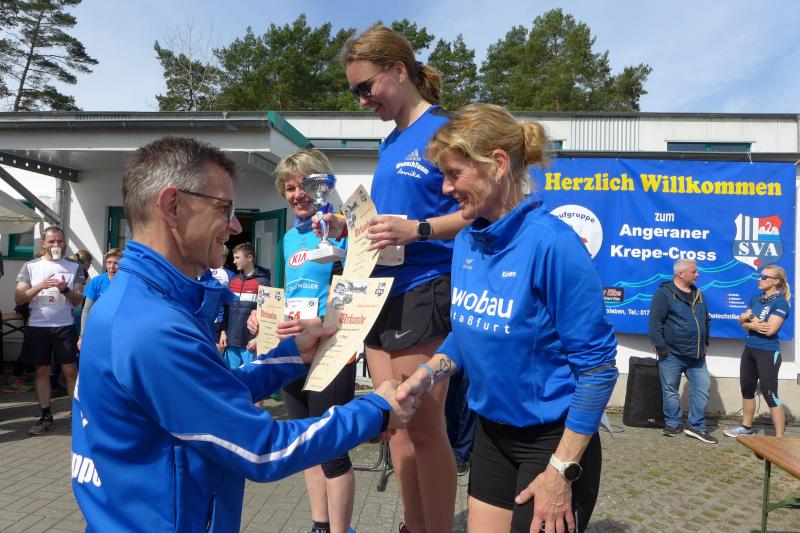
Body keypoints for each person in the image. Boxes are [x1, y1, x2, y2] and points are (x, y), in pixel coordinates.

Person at [70, 136, 420, 532]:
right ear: (172, 206)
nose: (236, 226)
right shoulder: (152, 326)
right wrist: (375, 411)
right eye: (224, 209)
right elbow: (262, 450)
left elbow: (209, 392)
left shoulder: (136, 302)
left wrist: (292, 354)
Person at [396, 103, 618, 533]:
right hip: (491, 437)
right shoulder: (467, 241)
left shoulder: (552, 244)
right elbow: (468, 331)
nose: (445, 188)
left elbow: (598, 369)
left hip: (553, 444)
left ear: (497, 164)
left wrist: (561, 471)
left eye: (453, 173)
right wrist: (424, 376)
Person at [337, 25, 471, 532]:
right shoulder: (391, 142)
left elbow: (479, 209)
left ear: (398, 70)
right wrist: (350, 226)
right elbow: (388, 220)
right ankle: (413, 525)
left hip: (426, 287)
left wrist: (419, 229)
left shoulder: (446, 130)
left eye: (365, 87)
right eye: (354, 92)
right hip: (379, 292)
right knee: (394, 425)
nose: (361, 100)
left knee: (424, 428)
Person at [276, 149, 357, 533]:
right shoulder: (289, 237)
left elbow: (356, 287)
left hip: (332, 346)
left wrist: (327, 320)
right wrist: (266, 315)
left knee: (332, 449)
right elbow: (289, 291)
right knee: (306, 445)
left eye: (305, 185)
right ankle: (319, 526)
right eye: (290, 188)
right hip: (295, 347)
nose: (298, 194)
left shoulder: (341, 228)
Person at [15, 226, 85, 435]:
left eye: (60, 241)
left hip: (64, 326)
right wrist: (41, 286)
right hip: (38, 327)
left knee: (71, 371)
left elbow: (78, 301)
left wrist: (65, 289)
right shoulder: (31, 266)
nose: (56, 245)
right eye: (52, 241)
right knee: (42, 371)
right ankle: (46, 416)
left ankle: (76, 415)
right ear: (43, 243)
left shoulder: (75, 267)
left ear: (65, 244)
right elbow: (19, 297)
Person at [648, 259, 717, 444]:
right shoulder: (664, 294)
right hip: (672, 354)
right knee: (670, 390)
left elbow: (706, 319)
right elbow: (655, 323)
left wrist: (705, 343)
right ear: (680, 273)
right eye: (694, 272)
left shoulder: (698, 294)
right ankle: (673, 423)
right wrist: (661, 347)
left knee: (703, 387)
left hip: (697, 355)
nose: (697, 274)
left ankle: (696, 426)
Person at [724, 265, 791, 438]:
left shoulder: (780, 302)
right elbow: (742, 324)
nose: (759, 279)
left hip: (768, 352)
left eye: (764, 277)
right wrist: (750, 322)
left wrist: (750, 317)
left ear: (776, 281)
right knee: (747, 389)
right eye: (760, 276)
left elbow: (769, 330)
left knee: (769, 393)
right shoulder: (756, 299)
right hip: (750, 349)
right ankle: (746, 428)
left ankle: (780, 438)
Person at [220, 242, 270, 368]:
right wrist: (222, 331)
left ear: (249, 258)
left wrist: (258, 339)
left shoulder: (263, 282)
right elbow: (226, 309)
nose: (234, 261)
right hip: (231, 342)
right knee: (231, 377)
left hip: (250, 344)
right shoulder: (233, 281)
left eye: (237, 257)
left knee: (251, 377)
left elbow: (267, 314)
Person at [77, 248, 122, 350]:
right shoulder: (97, 281)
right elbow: (86, 310)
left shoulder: (129, 283)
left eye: (116, 263)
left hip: (120, 332)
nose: (112, 267)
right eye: (109, 262)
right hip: (99, 329)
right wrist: (82, 336)